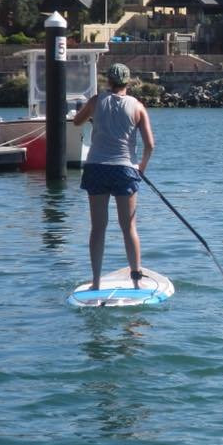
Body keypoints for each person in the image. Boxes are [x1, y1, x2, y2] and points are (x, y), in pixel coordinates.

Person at [73, 63, 155, 290]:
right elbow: (150, 145)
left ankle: (96, 284)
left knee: (98, 227)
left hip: (97, 168)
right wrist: (141, 168)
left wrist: (93, 117)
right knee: (128, 227)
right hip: (125, 170)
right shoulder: (138, 107)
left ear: (108, 81)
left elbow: (76, 121)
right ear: (128, 82)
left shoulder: (96, 101)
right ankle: (137, 283)